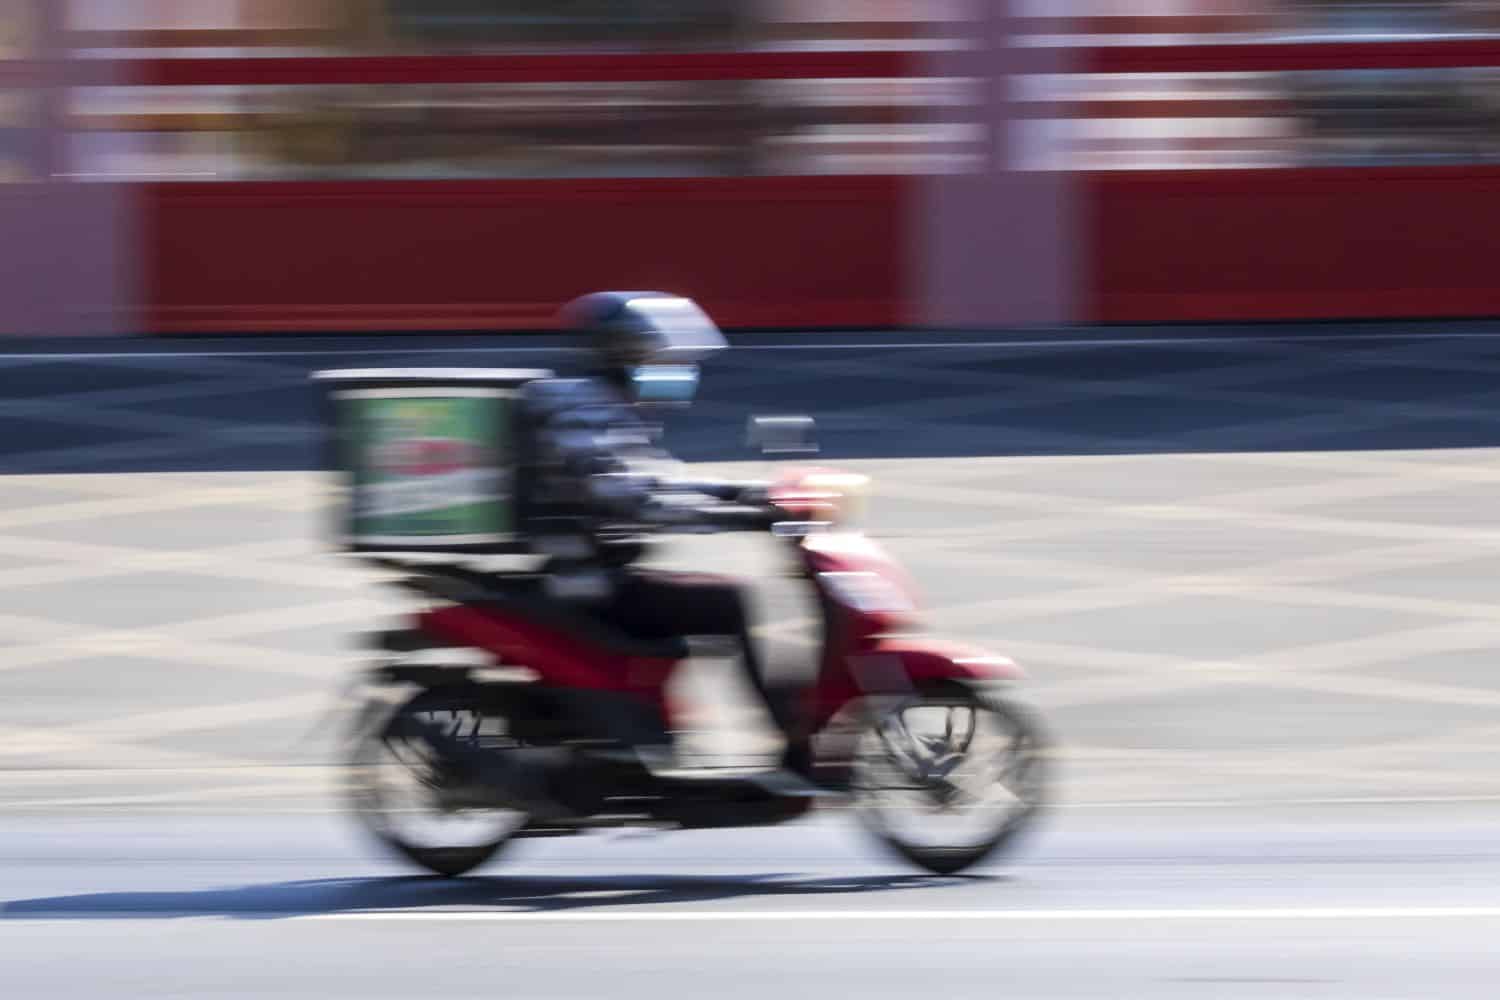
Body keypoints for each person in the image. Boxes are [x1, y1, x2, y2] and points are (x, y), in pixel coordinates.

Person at [517, 291, 811, 786]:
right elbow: (633, 497)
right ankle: (793, 746)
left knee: (705, 601)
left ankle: (673, 732)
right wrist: (743, 519)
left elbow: (661, 479)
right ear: (626, 355)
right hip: (587, 582)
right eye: (665, 359)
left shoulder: (602, 404)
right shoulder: (580, 409)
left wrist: (749, 493)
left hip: (601, 573)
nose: (679, 370)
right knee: (728, 603)